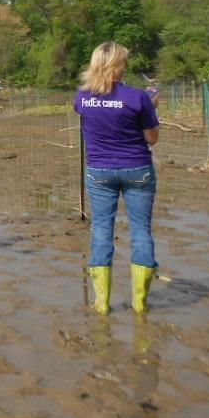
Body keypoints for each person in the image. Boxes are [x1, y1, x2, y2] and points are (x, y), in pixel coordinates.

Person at [75, 41, 160, 315]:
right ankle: (140, 302)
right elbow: (152, 138)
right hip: (137, 169)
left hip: (99, 171)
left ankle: (102, 303)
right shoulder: (138, 98)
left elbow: (95, 116)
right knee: (141, 231)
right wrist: (152, 108)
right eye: (123, 62)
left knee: (101, 230)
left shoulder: (82, 97)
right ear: (118, 66)